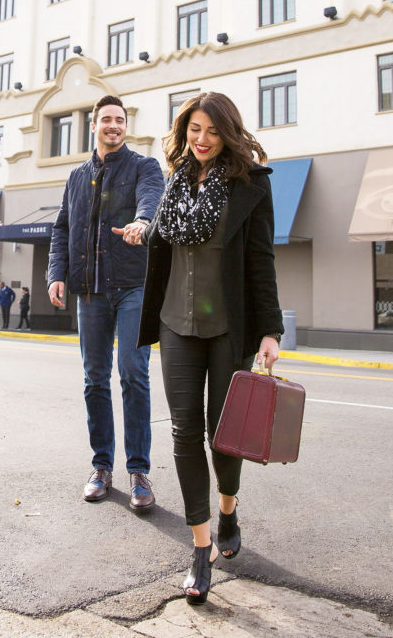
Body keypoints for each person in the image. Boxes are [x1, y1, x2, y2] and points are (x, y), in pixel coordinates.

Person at [138, 92, 284, 605]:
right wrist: (141, 229)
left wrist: (270, 330)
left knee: (225, 436)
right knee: (183, 432)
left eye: (213, 131)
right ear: (185, 131)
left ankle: (228, 507)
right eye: (195, 129)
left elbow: (261, 260)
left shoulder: (250, 187)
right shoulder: (174, 184)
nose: (202, 140)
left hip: (227, 327)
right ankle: (200, 548)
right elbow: (159, 243)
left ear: (228, 134)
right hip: (176, 323)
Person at [48, 94, 164, 511]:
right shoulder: (77, 177)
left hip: (135, 287)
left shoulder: (145, 166)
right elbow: (62, 228)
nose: (114, 125)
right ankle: (101, 466)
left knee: (133, 374)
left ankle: (138, 472)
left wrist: (142, 221)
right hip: (91, 292)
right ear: (93, 125)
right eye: (106, 119)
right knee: (94, 379)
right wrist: (56, 273)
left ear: (125, 126)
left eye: (120, 119)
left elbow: (153, 197)